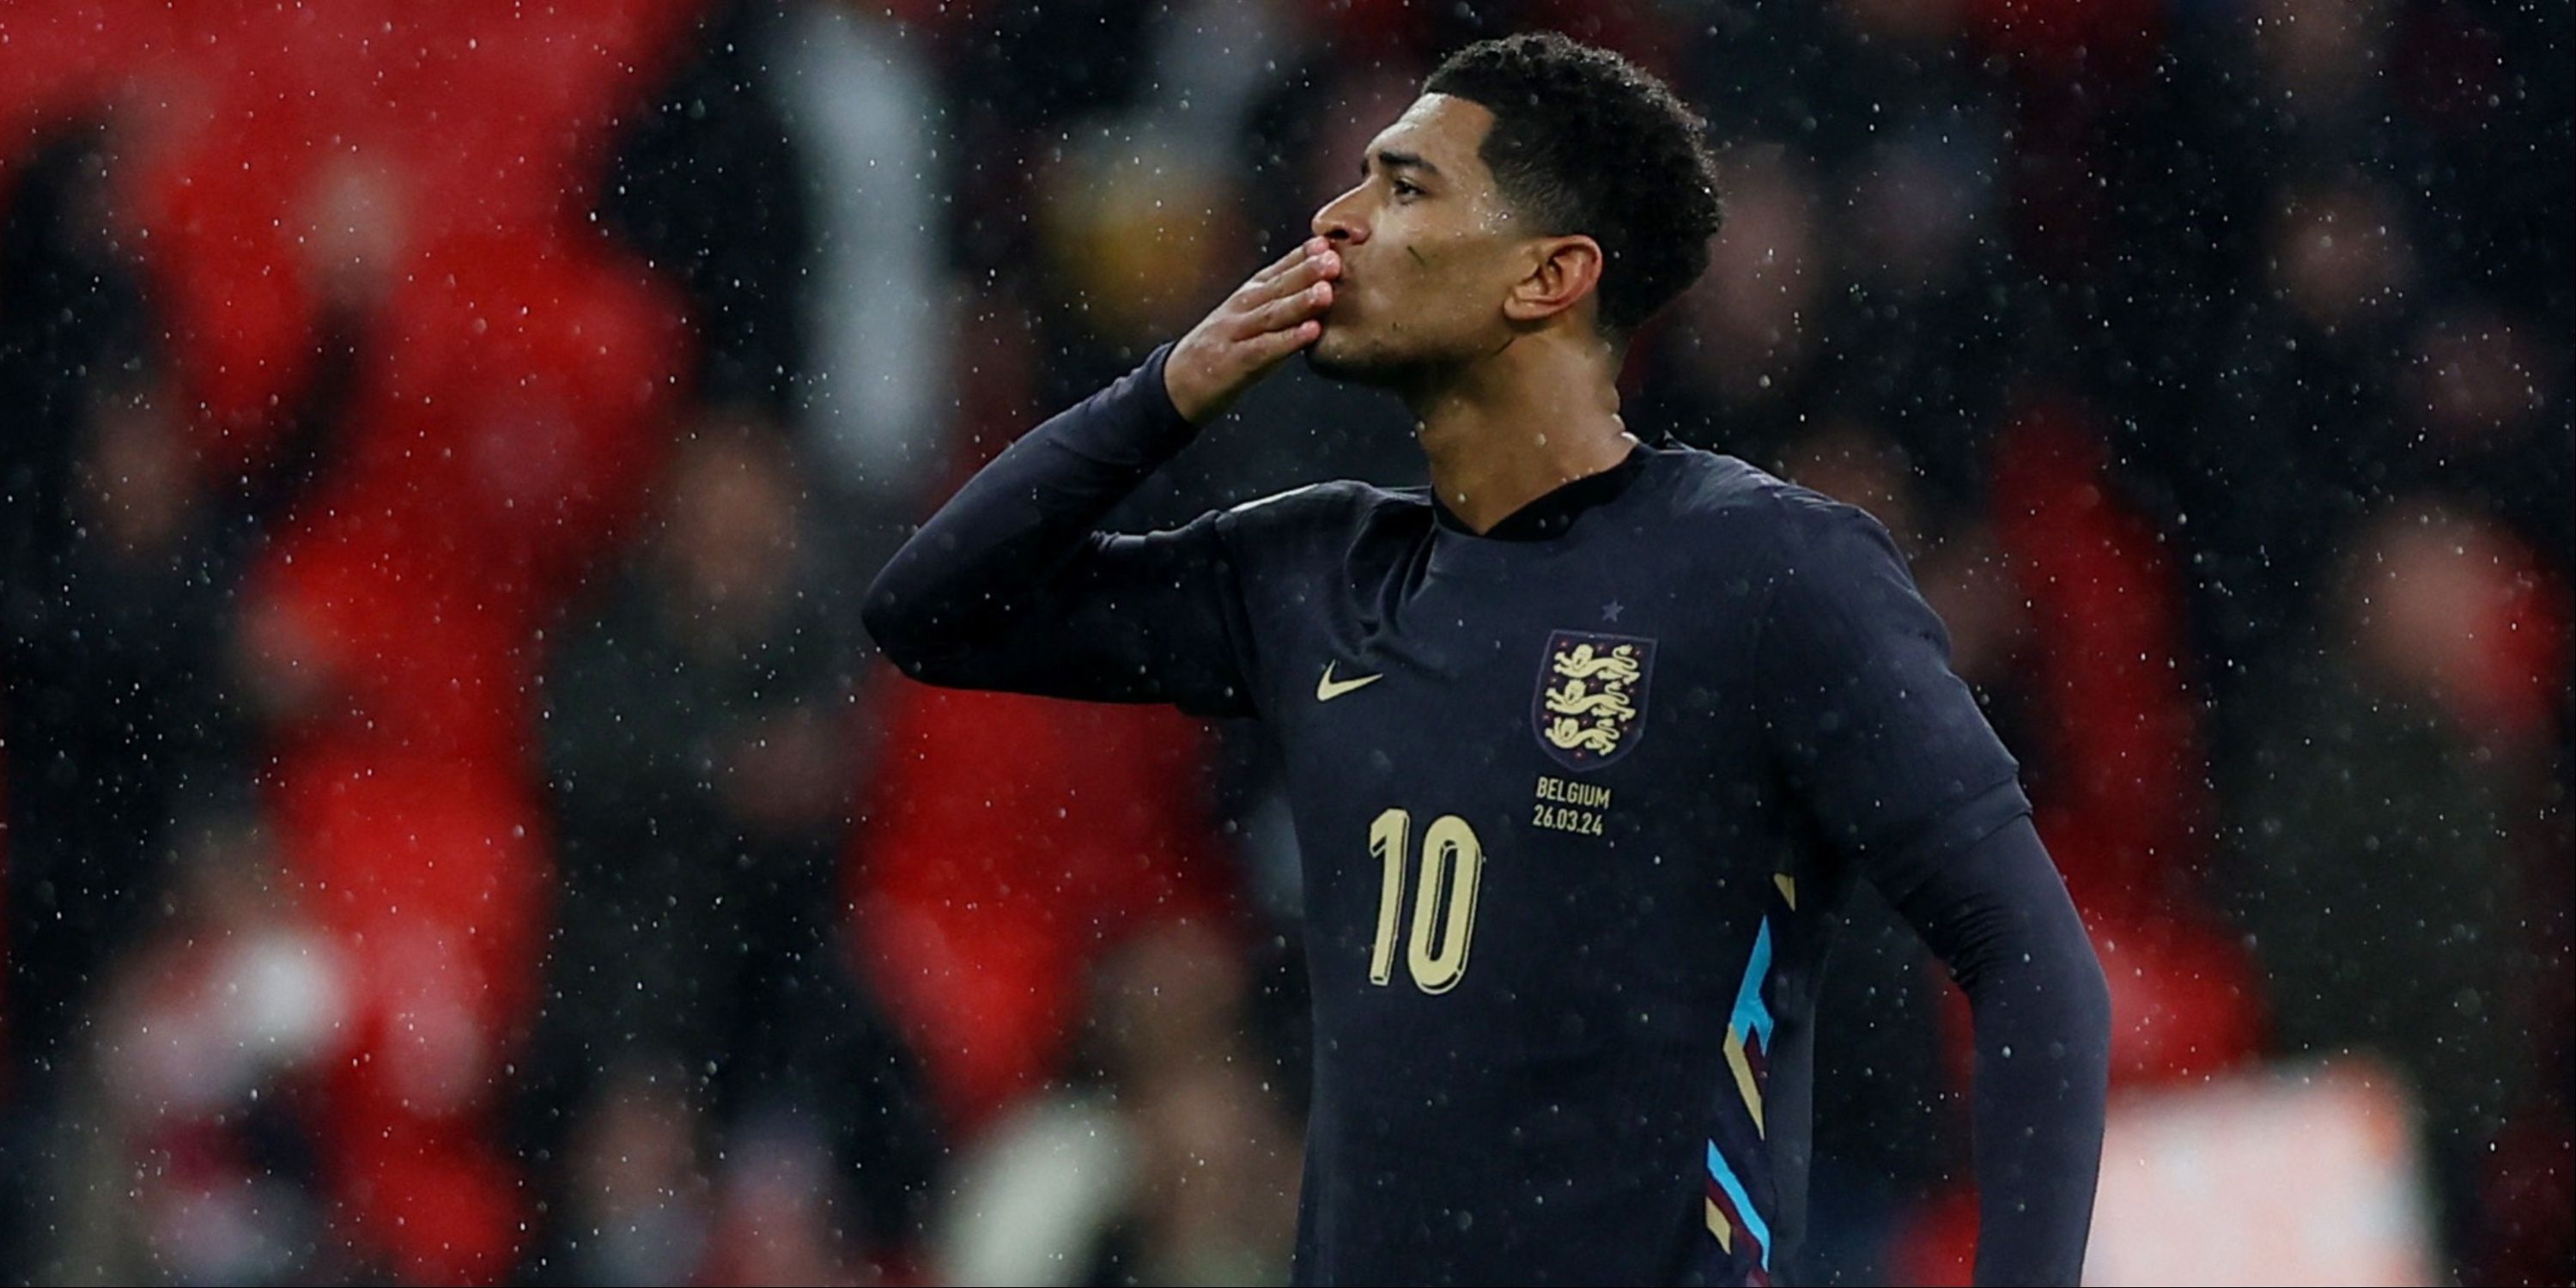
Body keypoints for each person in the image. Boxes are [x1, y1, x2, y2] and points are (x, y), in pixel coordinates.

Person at [865, 32, 2110, 1287]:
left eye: (1404, 188)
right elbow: (931, 612)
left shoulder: (1767, 574)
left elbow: (2032, 965)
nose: (1335, 220)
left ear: (1549, 277)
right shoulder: (1319, 574)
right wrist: (1166, 391)